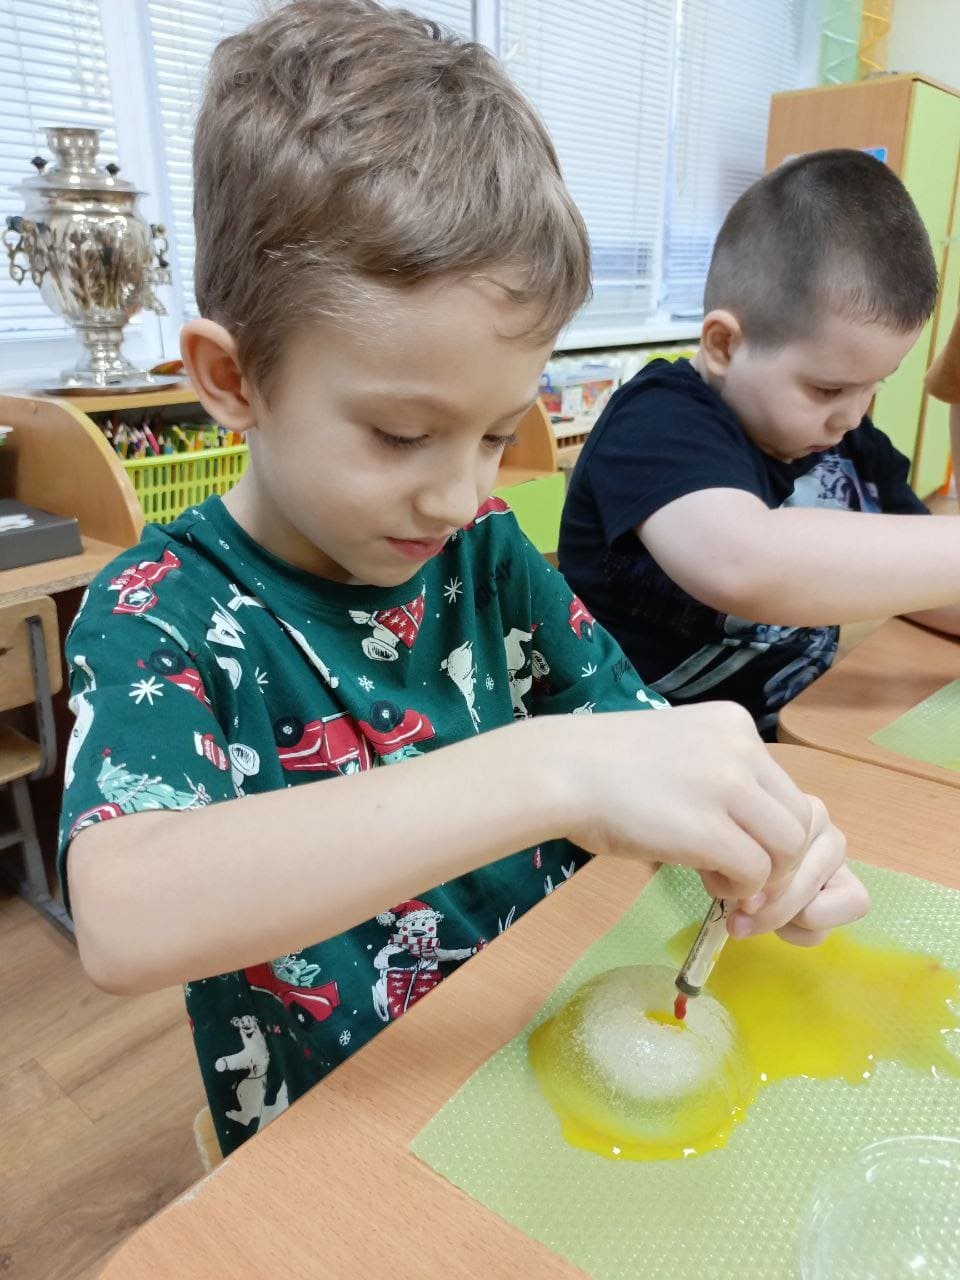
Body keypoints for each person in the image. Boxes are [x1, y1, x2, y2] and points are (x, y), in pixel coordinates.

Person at [58, 1, 864, 1158]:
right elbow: (124, 914)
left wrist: (758, 831)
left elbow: (642, 747)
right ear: (233, 380)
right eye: (400, 435)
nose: (456, 494)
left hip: (536, 1071)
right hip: (346, 1144)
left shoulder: (481, 552)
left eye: (494, 433)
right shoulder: (161, 608)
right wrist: (552, 768)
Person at [560, 149, 960, 740]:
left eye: (876, 385)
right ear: (724, 345)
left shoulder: (852, 441)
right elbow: (743, 562)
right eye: (828, 388)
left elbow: (929, 584)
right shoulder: (656, 420)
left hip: (785, 740)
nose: (851, 416)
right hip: (630, 753)